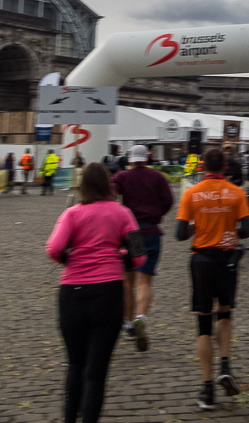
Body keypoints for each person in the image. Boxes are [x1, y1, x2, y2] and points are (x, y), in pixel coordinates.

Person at [46, 163, 146, 423]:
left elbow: (54, 248)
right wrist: (119, 256)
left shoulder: (71, 214)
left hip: (72, 293)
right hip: (108, 293)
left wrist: (69, 259)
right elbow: (139, 255)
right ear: (109, 184)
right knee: (96, 372)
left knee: (75, 364)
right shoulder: (123, 213)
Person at [175, 149, 249, 411]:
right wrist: (233, 233)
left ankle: (207, 388)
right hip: (227, 259)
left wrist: (196, 226)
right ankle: (226, 364)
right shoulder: (236, 192)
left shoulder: (191, 193)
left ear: (203, 166)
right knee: (225, 314)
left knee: (203, 323)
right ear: (225, 167)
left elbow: (179, 234)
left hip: (201, 261)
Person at [112, 144, 174, 351]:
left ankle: (128, 322)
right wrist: (157, 214)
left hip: (132, 233)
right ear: (147, 158)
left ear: (130, 159)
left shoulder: (122, 177)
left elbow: (111, 194)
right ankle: (141, 317)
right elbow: (168, 200)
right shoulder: (158, 177)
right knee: (145, 281)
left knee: (128, 280)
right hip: (151, 230)